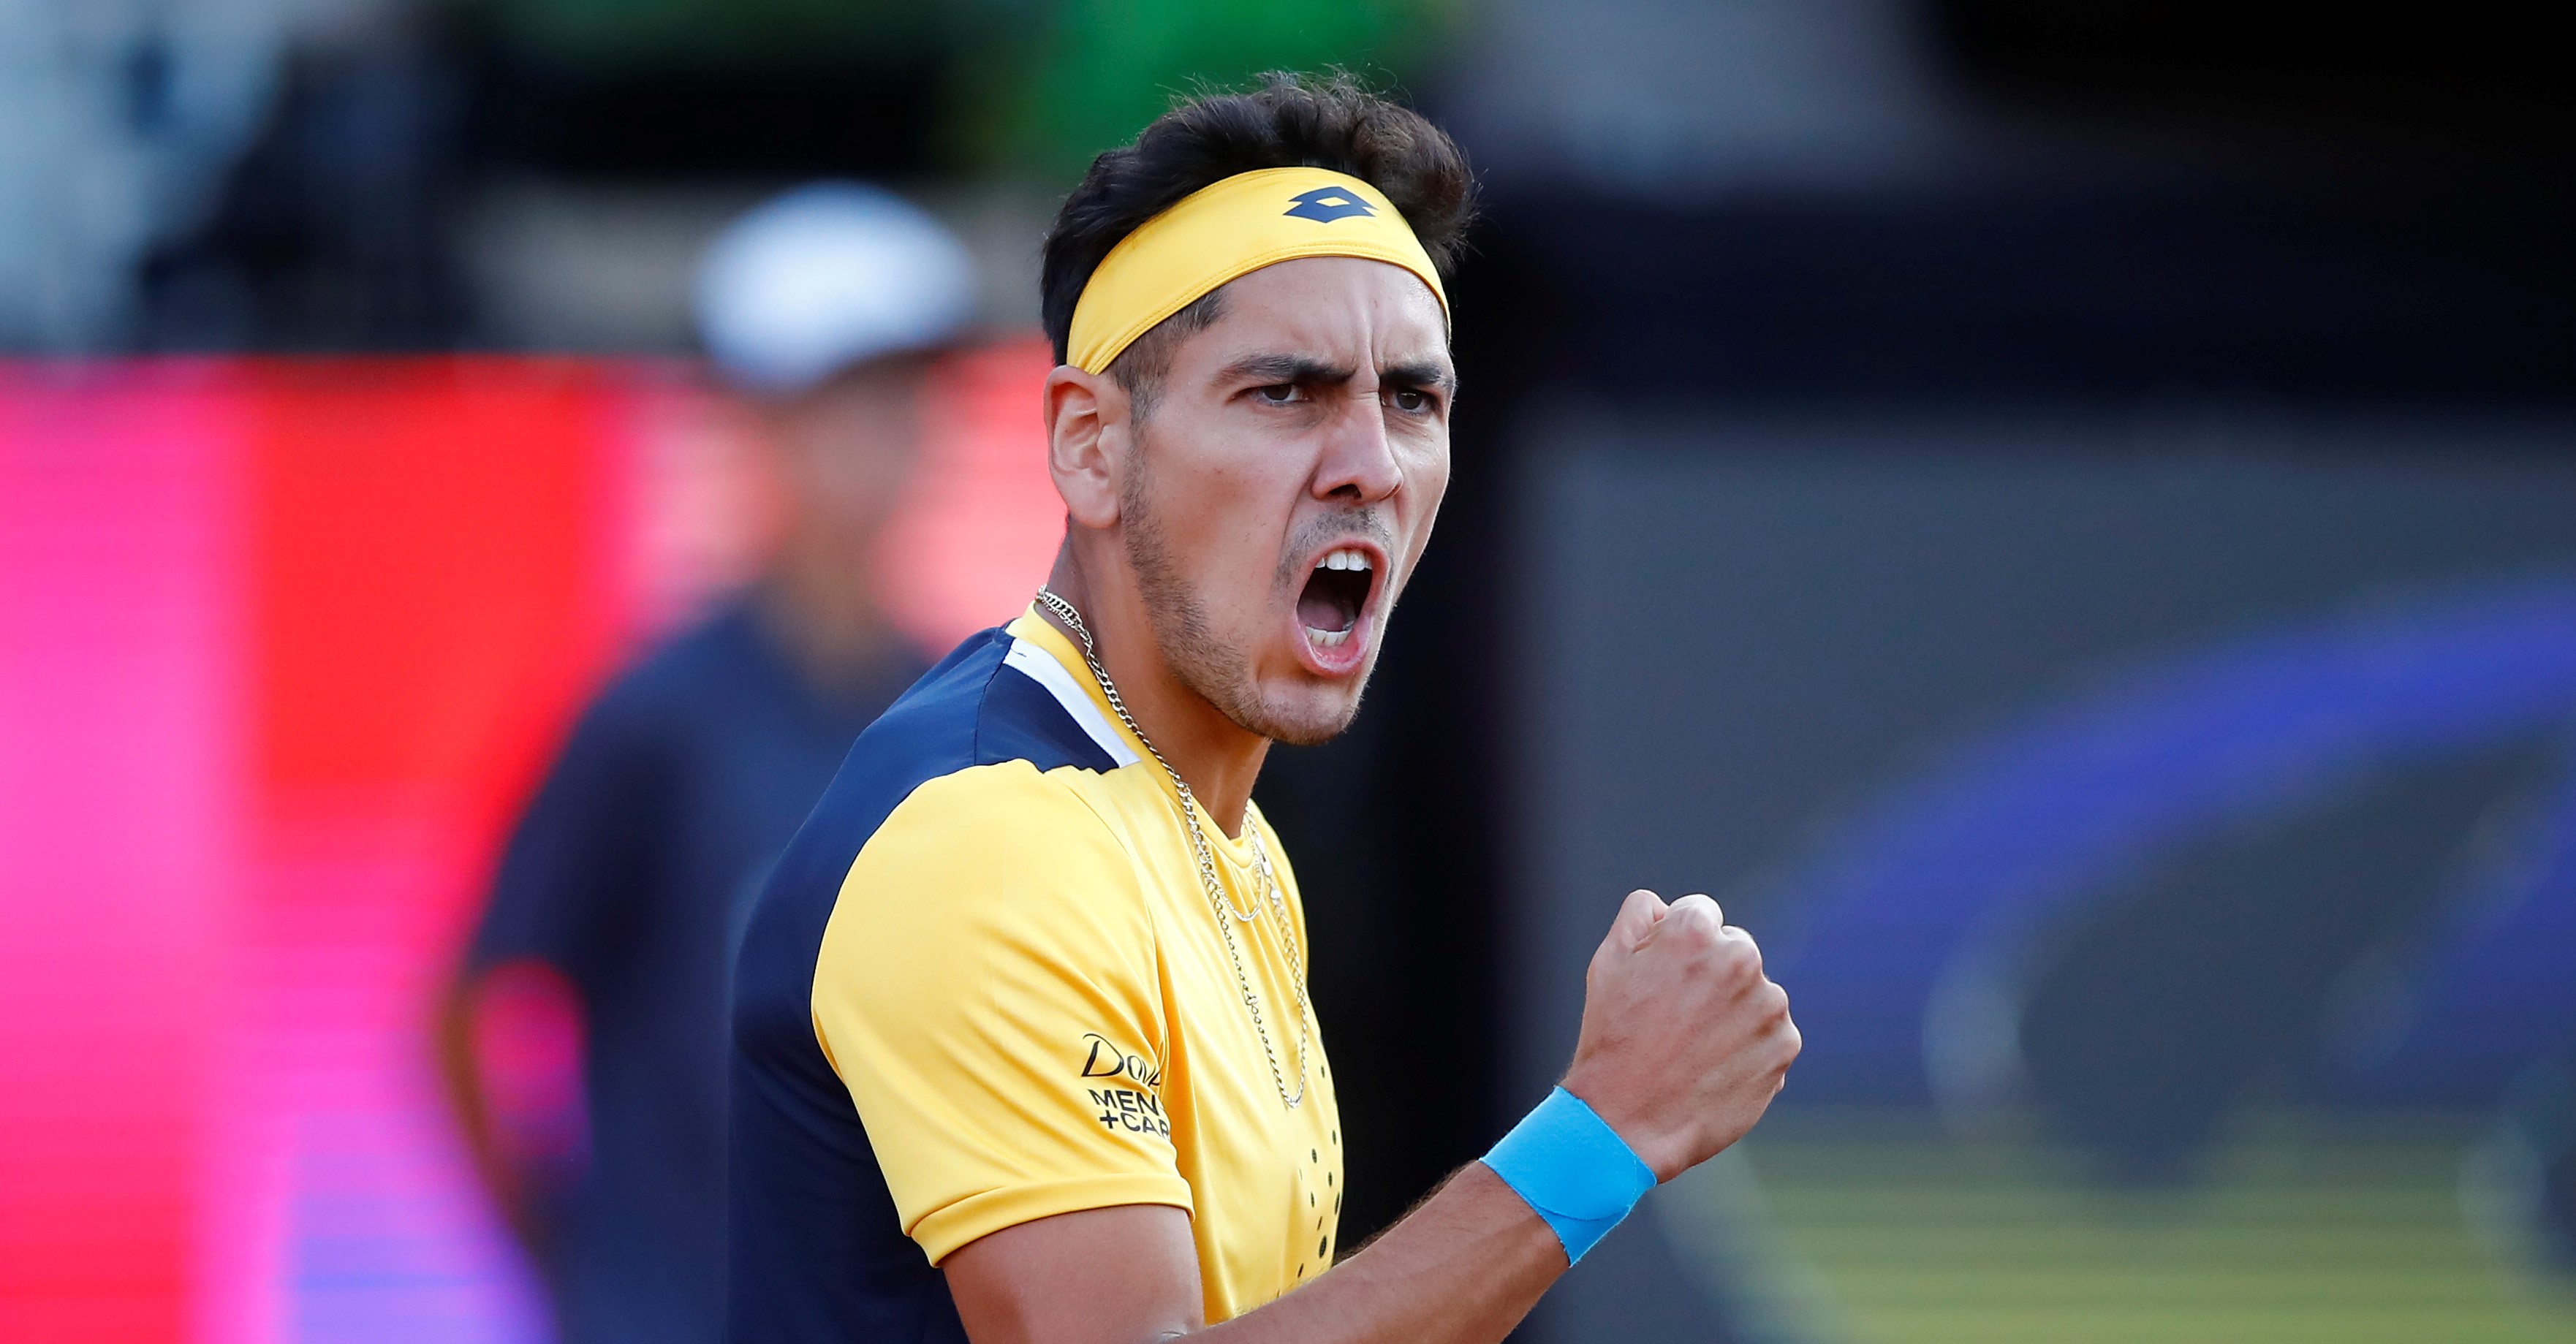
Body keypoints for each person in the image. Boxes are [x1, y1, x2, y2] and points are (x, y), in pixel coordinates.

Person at [728, 75, 1801, 1344]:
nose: (1368, 465)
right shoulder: (989, 842)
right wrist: (1602, 1136)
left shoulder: (1223, 841)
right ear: (1091, 446)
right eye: (1284, 392)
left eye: (1412, 399)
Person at [437, 183, 976, 1344]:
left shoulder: (961, 718)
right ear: (757, 423)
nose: (882, 441)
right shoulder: (657, 718)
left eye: (905, 399)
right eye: (844, 402)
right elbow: (475, 999)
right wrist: (573, 1258)